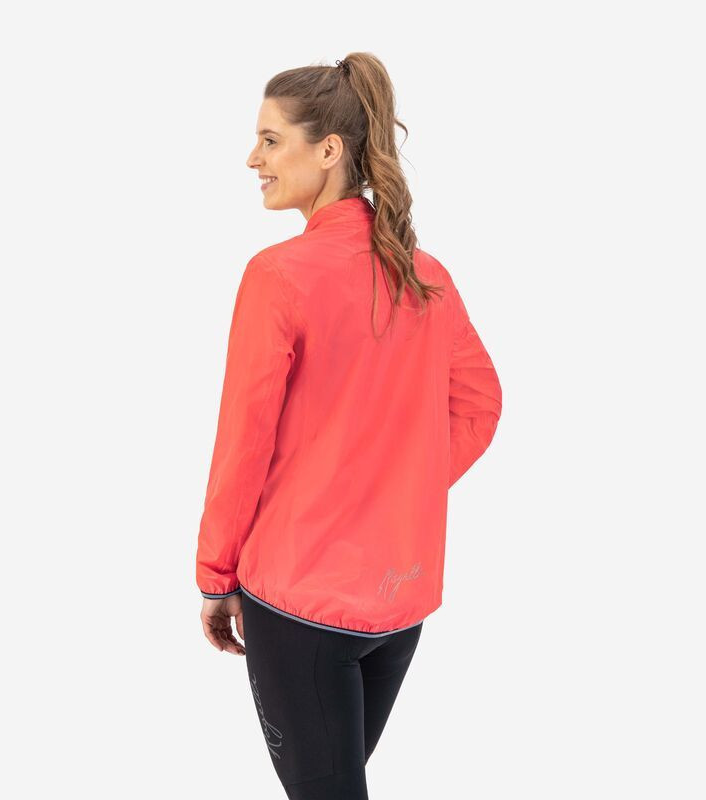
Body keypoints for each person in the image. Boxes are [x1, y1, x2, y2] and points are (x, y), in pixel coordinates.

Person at [196, 52, 502, 798]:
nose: (253, 158)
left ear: (328, 149)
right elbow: (479, 406)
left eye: (271, 140)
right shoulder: (426, 274)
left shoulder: (278, 275)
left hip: (299, 600)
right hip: (398, 602)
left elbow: (243, 443)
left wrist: (215, 575)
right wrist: (393, 493)